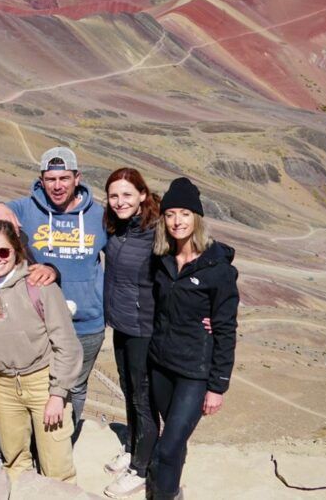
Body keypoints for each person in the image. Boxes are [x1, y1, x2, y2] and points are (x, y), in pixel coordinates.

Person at [0, 147, 107, 433]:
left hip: (86, 322)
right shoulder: (26, 208)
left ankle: (64, 439)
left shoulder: (99, 216)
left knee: (76, 386)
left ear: (77, 178)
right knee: (41, 387)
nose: (57, 186)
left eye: (64, 178)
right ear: (41, 180)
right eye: (51, 179)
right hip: (39, 324)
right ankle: (36, 443)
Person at [0, 221, 82, 482]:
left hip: (42, 381)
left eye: (3, 252)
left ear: (16, 250)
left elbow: (67, 344)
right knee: (14, 461)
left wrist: (57, 394)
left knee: (56, 467)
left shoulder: (40, 284)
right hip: (5, 384)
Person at [147, 178, 239, 500]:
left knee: (168, 445)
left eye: (184, 213)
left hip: (194, 373)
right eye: (170, 214)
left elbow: (226, 330)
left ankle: (165, 496)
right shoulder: (161, 260)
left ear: (196, 218)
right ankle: (171, 489)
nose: (177, 221)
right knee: (174, 440)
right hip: (161, 364)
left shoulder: (218, 270)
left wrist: (218, 386)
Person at [100, 168, 161, 499]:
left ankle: (141, 467)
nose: (120, 201)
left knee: (142, 396)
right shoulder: (117, 228)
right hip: (122, 323)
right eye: (113, 195)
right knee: (128, 388)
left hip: (144, 328)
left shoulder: (157, 233)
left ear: (142, 194)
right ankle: (135, 446)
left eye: (127, 194)